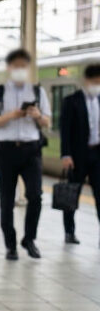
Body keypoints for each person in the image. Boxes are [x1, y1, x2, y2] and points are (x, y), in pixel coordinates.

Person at [0, 49, 51, 260]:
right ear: (9, 68)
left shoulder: (38, 92)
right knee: (6, 199)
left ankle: (29, 239)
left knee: (36, 196)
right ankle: (10, 244)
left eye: (24, 66)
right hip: (6, 151)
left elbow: (48, 122)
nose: (20, 70)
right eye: (16, 66)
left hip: (31, 150)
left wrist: (38, 115)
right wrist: (11, 115)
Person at [59, 63, 100, 246]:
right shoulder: (71, 101)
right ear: (86, 81)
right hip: (77, 156)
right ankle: (69, 232)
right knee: (72, 194)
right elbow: (65, 130)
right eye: (95, 81)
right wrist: (66, 155)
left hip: (97, 154)